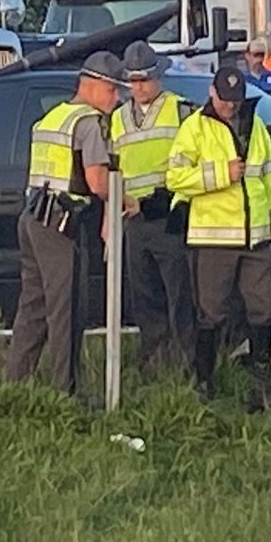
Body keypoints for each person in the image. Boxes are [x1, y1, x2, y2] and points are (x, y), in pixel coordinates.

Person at [166, 66, 271, 410]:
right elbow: (175, 177)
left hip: (256, 239)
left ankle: (260, 390)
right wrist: (222, 174)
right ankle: (204, 385)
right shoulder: (194, 127)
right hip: (213, 240)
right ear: (212, 93)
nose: (230, 107)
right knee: (211, 314)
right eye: (224, 100)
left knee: (263, 312)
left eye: (235, 101)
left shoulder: (257, 127)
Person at [6, 51, 124, 396]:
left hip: (33, 218)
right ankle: (66, 393)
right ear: (93, 85)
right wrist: (124, 200)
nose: (117, 100)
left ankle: (15, 384)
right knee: (67, 311)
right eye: (112, 91)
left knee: (33, 308)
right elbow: (98, 182)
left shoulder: (52, 117)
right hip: (62, 223)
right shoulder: (89, 122)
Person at [111, 41, 196, 373]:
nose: (139, 87)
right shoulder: (117, 118)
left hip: (169, 216)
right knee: (144, 297)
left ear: (158, 77)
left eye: (144, 80)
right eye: (133, 81)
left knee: (179, 295)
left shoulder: (181, 110)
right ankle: (154, 364)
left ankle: (189, 365)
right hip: (134, 220)